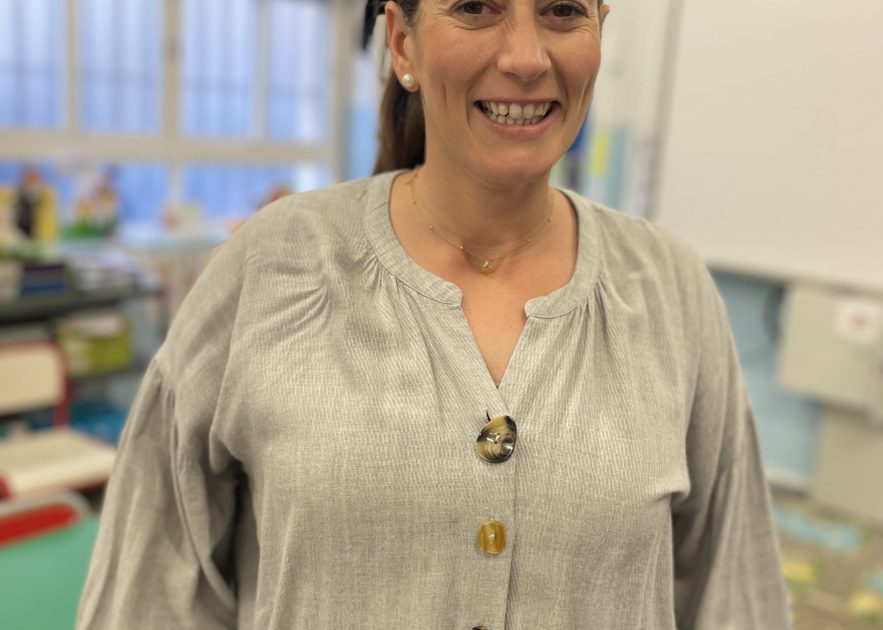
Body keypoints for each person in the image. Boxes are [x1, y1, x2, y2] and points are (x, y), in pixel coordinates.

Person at [78, 1, 792, 628]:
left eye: (563, 10)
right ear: (402, 42)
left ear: (599, 33)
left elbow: (733, 596)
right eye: (476, 6)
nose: (526, 58)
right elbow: (150, 590)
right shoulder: (271, 268)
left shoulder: (669, 290)